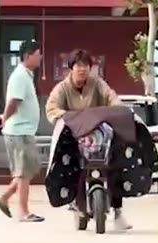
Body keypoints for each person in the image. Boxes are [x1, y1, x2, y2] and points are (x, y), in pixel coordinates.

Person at [45, 49, 132, 230]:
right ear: (71, 68)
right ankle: (75, 202)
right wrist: (70, 118)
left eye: (86, 66)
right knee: (70, 167)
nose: (82, 69)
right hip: (74, 137)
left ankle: (118, 211)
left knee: (116, 163)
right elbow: (52, 109)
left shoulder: (97, 84)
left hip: (99, 136)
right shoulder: (62, 89)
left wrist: (118, 110)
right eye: (78, 65)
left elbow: (112, 97)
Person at [0, 40, 45, 222]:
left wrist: (3, 116)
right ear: (28, 55)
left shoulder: (25, 75)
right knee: (23, 173)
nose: (40, 57)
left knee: (26, 171)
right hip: (19, 132)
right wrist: (5, 118)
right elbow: (14, 102)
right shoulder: (20, 76)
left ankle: (4, 198)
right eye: (38, 54)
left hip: (24, 130)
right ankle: (23, 211)